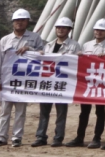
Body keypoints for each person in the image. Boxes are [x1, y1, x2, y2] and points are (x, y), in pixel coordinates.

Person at [0, 8, 46, 147]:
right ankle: (1, 137)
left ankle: (17, 137)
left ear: (27, 22)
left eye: (22, 20)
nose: (19, 23)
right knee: (5, 111)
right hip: (8, 80)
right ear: (13, 22)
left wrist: (30, 49)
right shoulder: (5, 40)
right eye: (17, 20)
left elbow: (43, 54)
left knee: (20, 111)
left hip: (24, 81)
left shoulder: (35, 38)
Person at [33, 16, 79, 147]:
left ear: (69, 30)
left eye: (64, 28)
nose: (60, 30)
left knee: (61, 113)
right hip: (47, 83)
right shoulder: (48, 46)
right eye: (58, 27)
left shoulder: (74, 46)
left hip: (63, 84)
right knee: (44, 112)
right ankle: (40, 137)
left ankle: (58, 137)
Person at [72, 19, 105, 148]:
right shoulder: (86, 45)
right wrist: (79, 55)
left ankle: (97, 138)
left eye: (102, 30)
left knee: (100, 111)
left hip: (102, 84)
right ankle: (79, 137)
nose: (99, 32)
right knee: (84, 112)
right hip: (87, 83)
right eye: (97, 30)